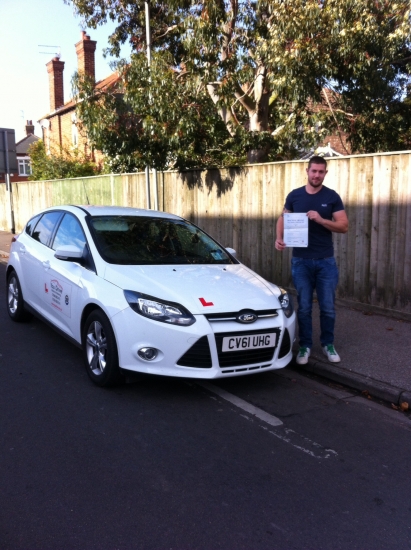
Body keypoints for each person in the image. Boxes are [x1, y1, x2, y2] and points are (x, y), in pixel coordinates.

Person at [275, 156, 349, 365]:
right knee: (304, 307)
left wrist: (321, 219)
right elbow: (283, 218)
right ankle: (305, 346)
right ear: (307, 171)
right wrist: (279, 238)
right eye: (313, 171)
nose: (316, 175)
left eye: (321, 172)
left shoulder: (332, 197)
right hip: (301, 262)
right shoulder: (295, 196)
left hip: (325, 262)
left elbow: (343, 226)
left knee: (327, 307)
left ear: (325, 173)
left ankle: (328, 344)